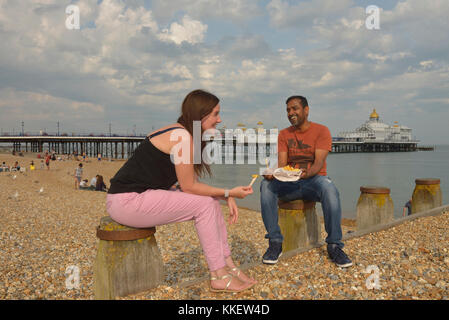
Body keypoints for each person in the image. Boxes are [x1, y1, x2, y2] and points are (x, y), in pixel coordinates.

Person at [106, 89, 256, 293]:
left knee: (210, 201)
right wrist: (230, 192)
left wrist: (223, 195)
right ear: (200, 115)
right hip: (128, 202)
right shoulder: (183, 137)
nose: (219, 119)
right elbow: (189, 187)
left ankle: (228, 265)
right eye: (215, 114)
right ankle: (218, 275)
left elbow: (191, 185)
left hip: (132, 198)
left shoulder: (179, 131)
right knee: (204, 205)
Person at [259, 95, 352, 268]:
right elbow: (282, 164)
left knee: (330, 188)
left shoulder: (322, 131)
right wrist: (273, 173)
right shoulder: (284, 134)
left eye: (295, 108)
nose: (290, 113)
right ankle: (275, 242)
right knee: (265, 185)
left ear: (306, 110)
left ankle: (334, 245)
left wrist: (305, 174)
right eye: (288, 110)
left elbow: (318, 164)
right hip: (290, 183)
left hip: (314, 181)